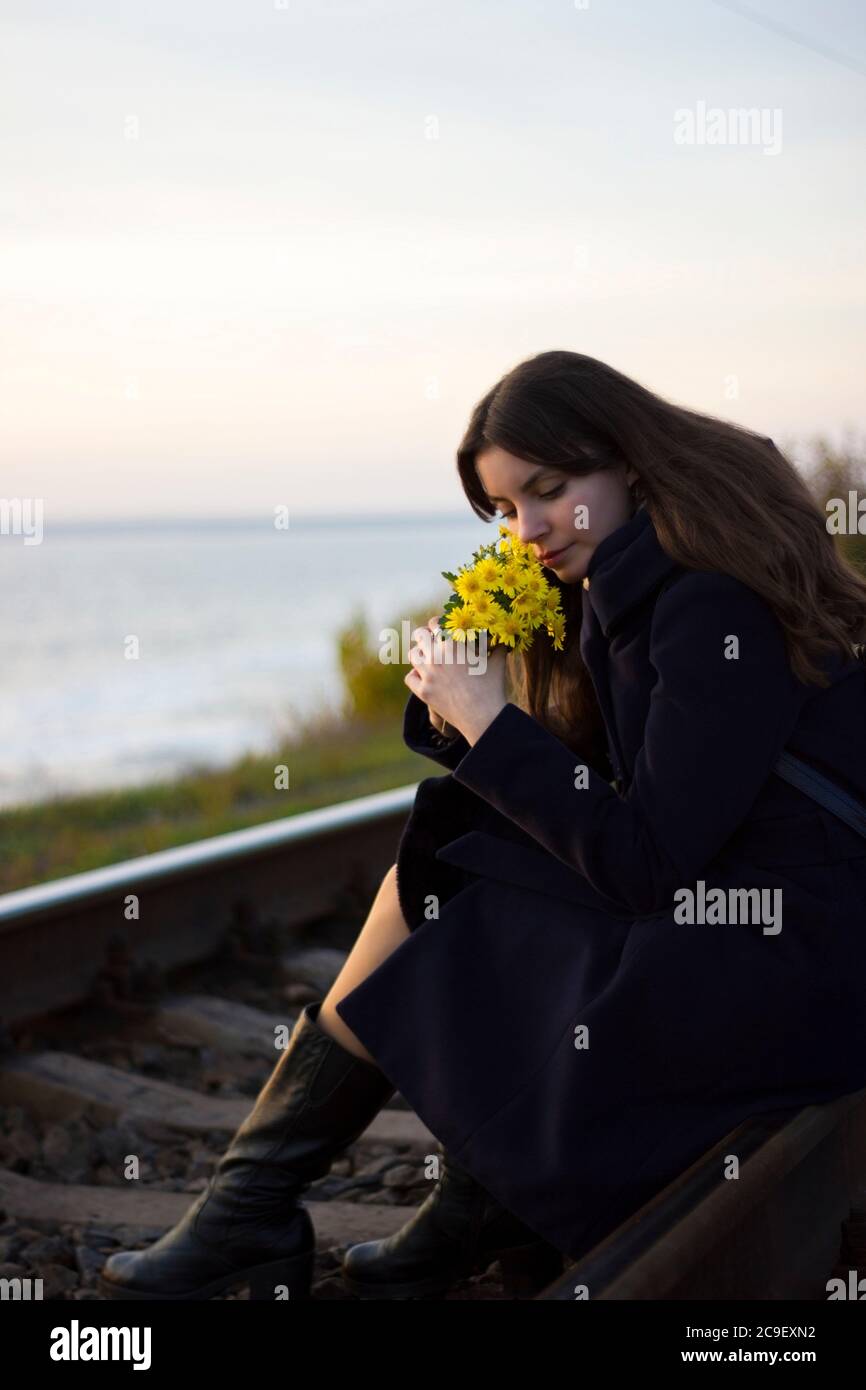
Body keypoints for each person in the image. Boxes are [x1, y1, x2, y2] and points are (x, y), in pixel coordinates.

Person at [100, 349, 866, 1301]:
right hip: (741, 914)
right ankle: (287, 1207)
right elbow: (596, 788)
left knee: (471, 893)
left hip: (795, 960)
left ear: (627, 462)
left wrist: (492, 721)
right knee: (453, 842)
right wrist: (469, 688)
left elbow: (649, 860)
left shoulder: (709, 604)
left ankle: (266, 1211)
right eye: (506, 510)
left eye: (549, 491)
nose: (530, 530)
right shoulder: (631, 581)